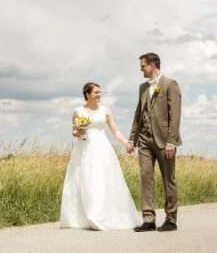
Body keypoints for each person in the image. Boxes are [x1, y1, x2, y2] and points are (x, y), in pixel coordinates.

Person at [59, 82, 141, 230]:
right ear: (87, 94)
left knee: (102, 178)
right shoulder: (78, 111)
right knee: (84, 178)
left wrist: (127, 144)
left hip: (102, 148)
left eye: (99, 92)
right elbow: (74, 132)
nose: (99, 95)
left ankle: (100, 214)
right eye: (96, 92)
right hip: (84, 148)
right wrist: (80, 132)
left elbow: (115, 132)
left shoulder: (105, 111)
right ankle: (85, 217)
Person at [126, 52, 182, 232]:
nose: (141, 70)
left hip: (165, 141)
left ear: (152, 65)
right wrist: (132, 139)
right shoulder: (143, 87)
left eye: (143, 66)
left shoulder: (170, 84)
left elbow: (175, 115)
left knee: (168, 179)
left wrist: (171, 141)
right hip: (144, 140)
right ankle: (148, 219)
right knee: (145, 178)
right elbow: (138, 114)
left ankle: (171, 219)